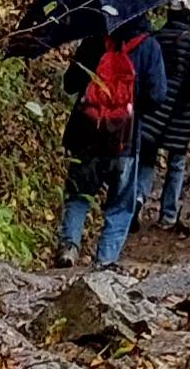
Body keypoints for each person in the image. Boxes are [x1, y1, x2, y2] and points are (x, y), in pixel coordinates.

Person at [56, 16, 163, 268]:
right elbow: (158, 93)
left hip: (87, 135)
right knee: (121, 204)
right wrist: (131, 109)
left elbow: (70, 84)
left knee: (79, 193)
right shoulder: (148, 46)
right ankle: (105, 261)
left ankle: (69, 246)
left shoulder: (94, 40)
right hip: (125, 139)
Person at [143, 0, 190, 231]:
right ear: (189, 13)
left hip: (155, 106)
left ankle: (137, 201)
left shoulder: (156, 37)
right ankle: (168, 214)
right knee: (177, 162)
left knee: (147, 159)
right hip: (181, 111)